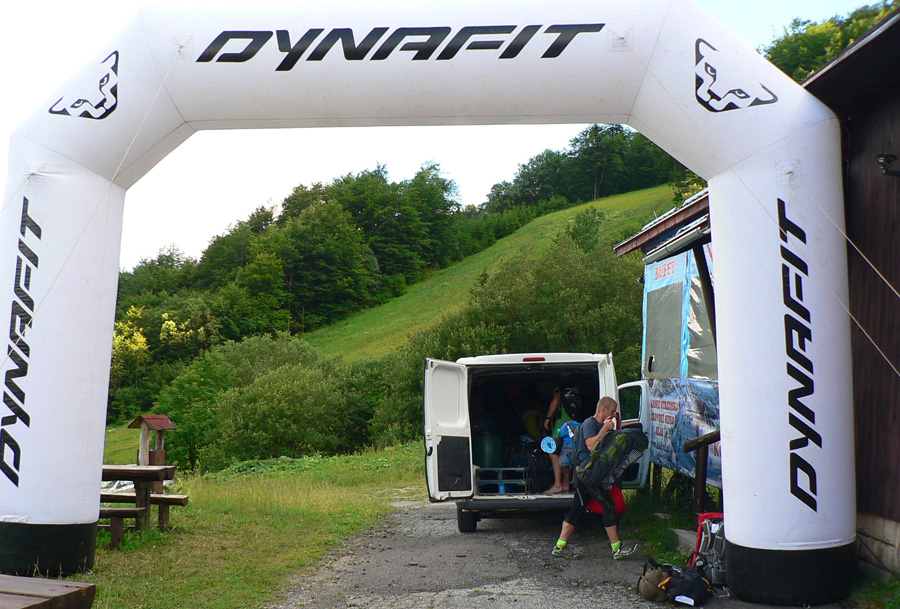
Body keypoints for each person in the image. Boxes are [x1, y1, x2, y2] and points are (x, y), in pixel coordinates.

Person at [551, 396, 639, 560]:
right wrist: (605, 429)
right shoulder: (590, 424)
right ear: (603, 409)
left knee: (577, 508)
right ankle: (617, 548)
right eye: (612, 411)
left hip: (589, 475)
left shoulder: (600, 426)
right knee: (608, 505)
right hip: (587, 474)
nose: (613, 415)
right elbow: (591, 445)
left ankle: (560, 546)